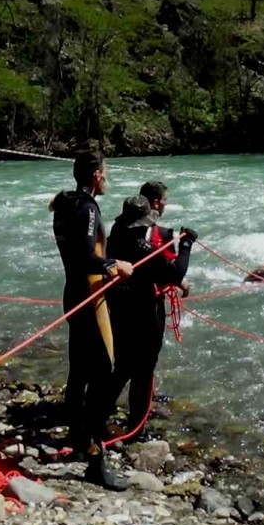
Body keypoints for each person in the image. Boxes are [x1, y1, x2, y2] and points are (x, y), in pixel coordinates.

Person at [49, 153, 134, 490]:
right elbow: (86, 256)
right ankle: (95, 460)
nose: (106, 178)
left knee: (79, 372)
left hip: (74, 294)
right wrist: (117, 264)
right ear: (97, 175)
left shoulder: (65, 204)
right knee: (103, 374)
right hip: (89, 298)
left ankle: (79, 440)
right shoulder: (85, 208)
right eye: (105, 173)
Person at [105, 188, 196, 443]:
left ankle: (99, 415)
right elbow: (176, 272)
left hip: (119, 309)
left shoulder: (114, 238)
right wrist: (187, 244)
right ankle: (136, 428)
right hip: (144, 311)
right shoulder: (143, 247)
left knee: (122, 366)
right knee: (144, 370)